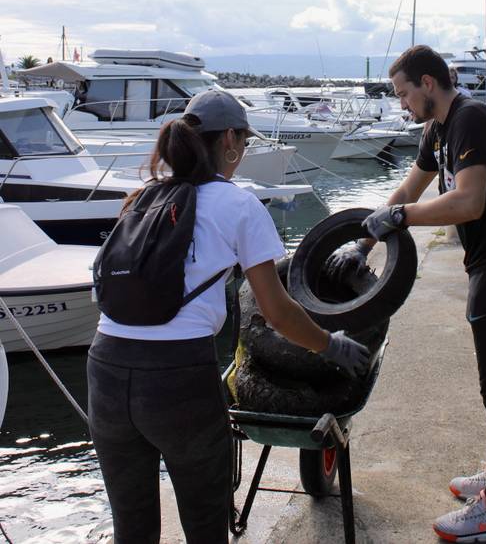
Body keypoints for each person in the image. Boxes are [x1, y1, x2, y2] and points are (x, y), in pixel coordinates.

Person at [87, 89, 368, 544]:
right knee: (206, 524)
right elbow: (278, 313)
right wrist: (330, 345)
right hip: (178, 378)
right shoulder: (238, 204)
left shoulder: (142, 198)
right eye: (246, 141)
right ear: (230, 141)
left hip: (105, 371)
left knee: (132, 527)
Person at [328, 46, 486, 543]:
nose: (402, 104)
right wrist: (363, 244)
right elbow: (408, 190)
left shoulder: (470, 120)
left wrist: (401, 219)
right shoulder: (438, 130)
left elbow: (469, 202)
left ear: (428, 83)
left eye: (404, 94)